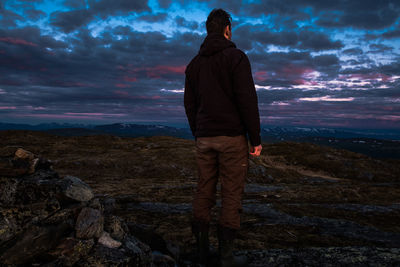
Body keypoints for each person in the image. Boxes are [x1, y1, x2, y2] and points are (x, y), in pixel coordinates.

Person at [184, 8, 262, 267]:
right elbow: (247, 100)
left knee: (203, 189)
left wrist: (199, 132)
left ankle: (203, 253)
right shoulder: (236, 57)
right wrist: (255, 138)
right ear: (227, 29)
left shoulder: (194, 65)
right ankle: (226, 258)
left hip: (204, 138)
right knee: (231, 194)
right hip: (232, 139)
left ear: (208, 30)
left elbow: (189, 104)